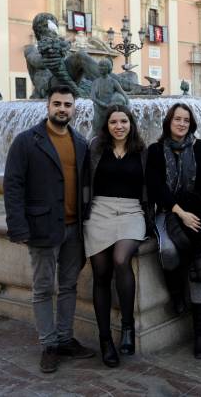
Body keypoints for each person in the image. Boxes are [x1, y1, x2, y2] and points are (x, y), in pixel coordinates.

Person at [4, 85, 95, 373]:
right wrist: (18, 227)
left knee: (68, 286)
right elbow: (13, 185)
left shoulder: (80, 142)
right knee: (43, 288)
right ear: (48, 106)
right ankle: (49, 344)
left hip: (73, 228)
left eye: (68, 104)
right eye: (57, 103)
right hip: (41, 227)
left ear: (74, 108)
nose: (62, 109)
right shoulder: (26, 141)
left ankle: (66, 339)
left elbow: (86, 186)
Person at [147, 103, 201, 359]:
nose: (182, 124)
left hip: (196, 212)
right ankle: (175, 291)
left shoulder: (200, 148)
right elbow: (155, 188)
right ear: (169, 122)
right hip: (168, 211)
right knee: (169, 250)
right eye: (177, 119)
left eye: (186, 120)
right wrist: (178, 211)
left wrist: (192, 211)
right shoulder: (155, 151)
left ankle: (200, 335)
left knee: (199, 264)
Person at [85, 105, 147, 367]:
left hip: (132, 211)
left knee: (122, 259)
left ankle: (128, 326)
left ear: (130, 124)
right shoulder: (95, 149)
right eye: (113, 122)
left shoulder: (142, 152)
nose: (119, 126)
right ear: (106, 125)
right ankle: (105, 339)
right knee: (100, 272)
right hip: (100, 211)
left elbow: (152, 185)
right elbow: (83, 181)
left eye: (123, 121)